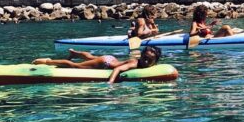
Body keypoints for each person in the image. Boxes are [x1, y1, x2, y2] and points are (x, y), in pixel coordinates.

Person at [33, 45, 163, 84]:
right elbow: (118, 69)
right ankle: (47, 61)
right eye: (145, 58)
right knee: (76, 66)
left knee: (91, 58)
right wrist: (110, 83)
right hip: (106, 63)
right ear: (141, 56)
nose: (146, 62)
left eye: (149, 60)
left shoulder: (142, 63)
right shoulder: (134, 63)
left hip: (110, 59)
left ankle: (75, 53)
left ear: (155, 62)